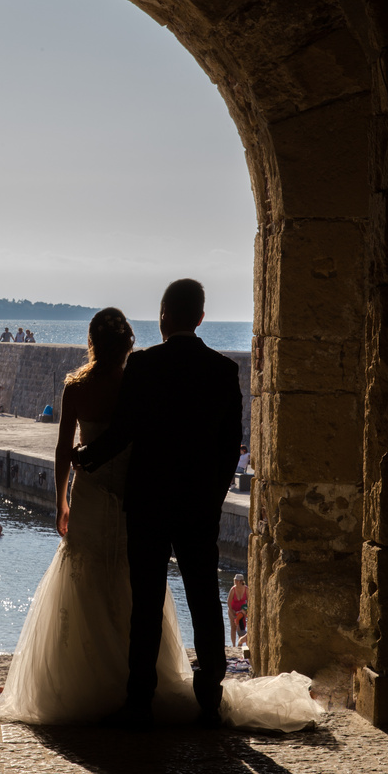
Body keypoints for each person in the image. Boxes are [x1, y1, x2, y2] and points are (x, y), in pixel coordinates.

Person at [0, 308, 196, 726]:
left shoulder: (75, 387)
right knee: (129, 576)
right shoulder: (135, 383)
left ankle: (83, 682)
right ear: (127, 344)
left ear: (92, 341)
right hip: (130, 497)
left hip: (87, 495)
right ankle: (135, 681)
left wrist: (60, 501)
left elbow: (64, 450)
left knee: (84, 579)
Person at [74, 279, 242, 729]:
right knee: (205, 600)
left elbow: (123, 430)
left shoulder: (145, 366)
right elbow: (231, 447)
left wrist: (86, 460)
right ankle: (209, 694)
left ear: (164, 315)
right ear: (201, 318)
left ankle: (139, 700)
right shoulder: (223, 371)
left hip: (148, 502)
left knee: (146, 603)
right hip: (199, 507)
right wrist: (214, 494)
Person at [227, 573, 249, 647]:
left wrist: (245, 611)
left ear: (239, 581)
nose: (234, 581)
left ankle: (240, 644)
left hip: (242, 611)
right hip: (232, 609)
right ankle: (233, 645)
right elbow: (228, 602)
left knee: (242, 627)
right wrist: (232, 612)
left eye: (235, 580)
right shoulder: (233, 589)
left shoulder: (246, 589)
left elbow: (249, 602)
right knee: (233, 627)